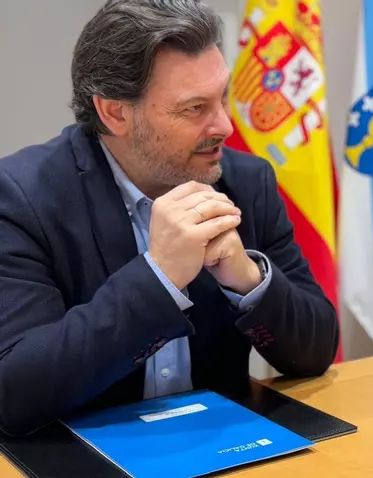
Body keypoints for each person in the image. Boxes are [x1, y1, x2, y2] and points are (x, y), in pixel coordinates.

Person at [0, 0, 339, 437]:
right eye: (194, 108)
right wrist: (158, 277)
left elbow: (316, 352)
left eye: (222, 97)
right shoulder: (23, 196)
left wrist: (247, 280)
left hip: (224, 445)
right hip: (84, 453)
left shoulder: (246, 182)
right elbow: (15, 393)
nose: (225, 126)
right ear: (115, 112)